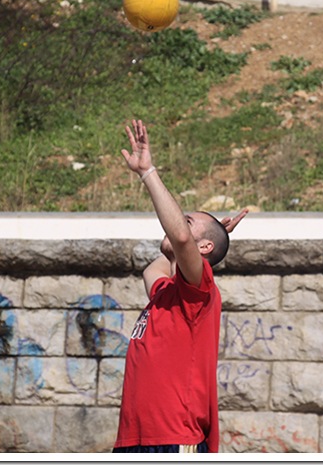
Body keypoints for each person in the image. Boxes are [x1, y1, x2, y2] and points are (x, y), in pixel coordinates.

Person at [113, 119, 248, 454]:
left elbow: (183, 238)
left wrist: (147, 173)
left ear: (202, 251)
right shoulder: (166, 294)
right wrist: (215, 231)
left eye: (186, 220)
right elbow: (156, 265)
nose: (177, 226)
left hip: (174, 439)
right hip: (134, 440)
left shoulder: (198, 293)